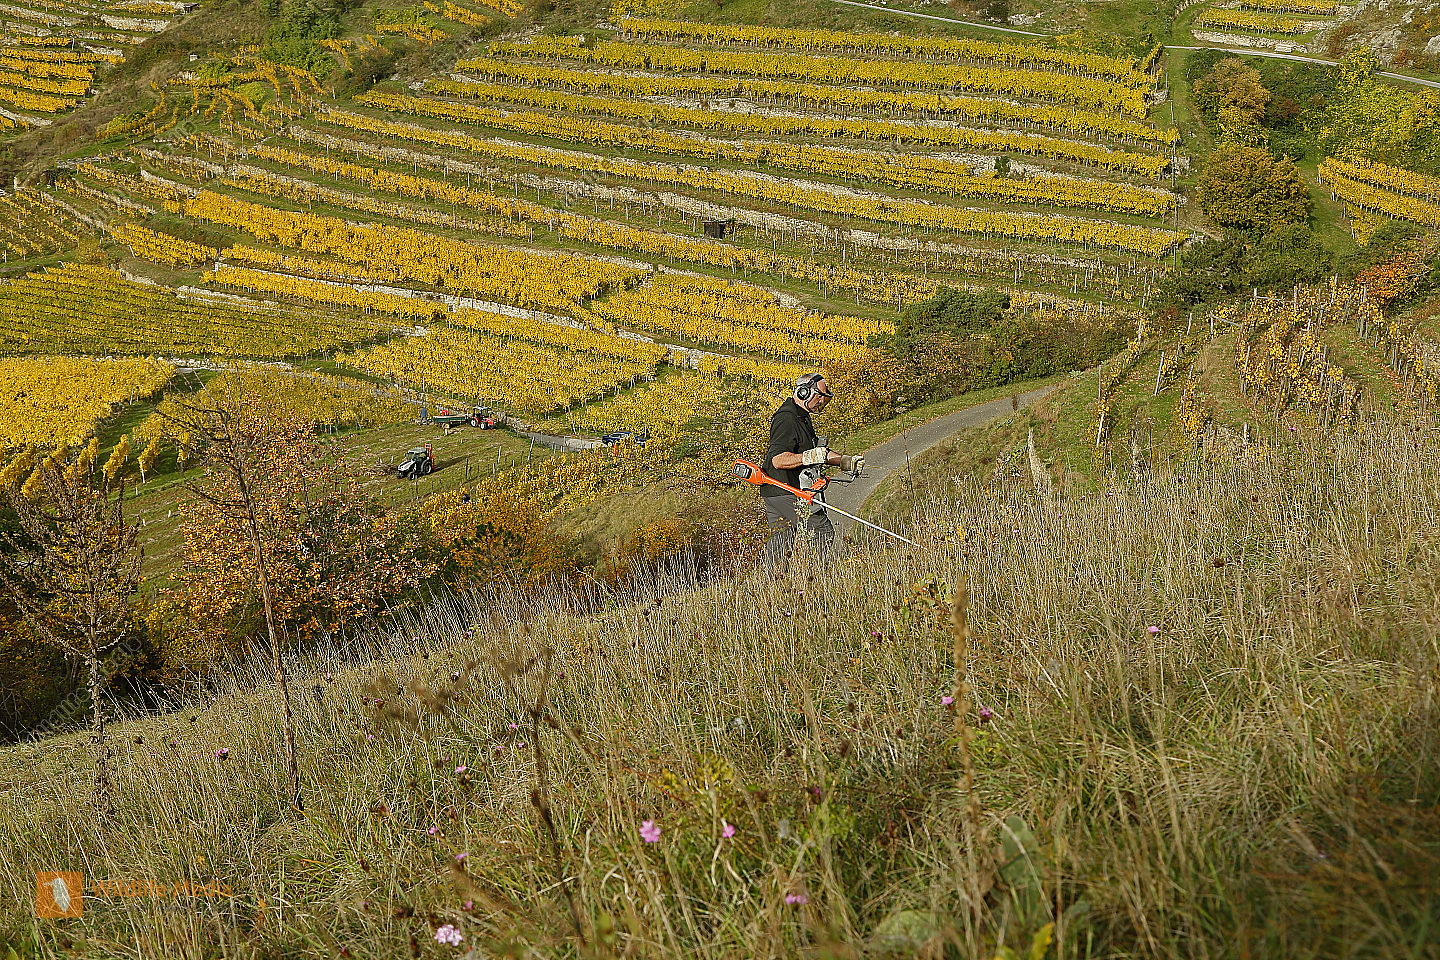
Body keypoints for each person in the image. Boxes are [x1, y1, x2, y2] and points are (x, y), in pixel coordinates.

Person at [759, 373, 863, 567]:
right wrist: (806, 458)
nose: (822, 401)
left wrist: (845, 461)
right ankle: (814, 575)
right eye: (819, 396)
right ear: (803, 392)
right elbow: (778, 460)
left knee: (783, 544)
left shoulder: (802, 416)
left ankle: (782, 578)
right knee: (820, 532)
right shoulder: (786, 419)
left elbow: (817, 452)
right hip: (784, 489)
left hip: (784, 492)